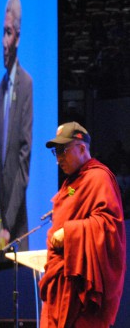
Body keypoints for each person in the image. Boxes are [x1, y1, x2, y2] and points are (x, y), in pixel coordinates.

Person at [38, 121, 126, 328]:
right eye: (56, 153)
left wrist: (69, 233)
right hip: (61, 281)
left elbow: (108, 226)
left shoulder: (98, 178)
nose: (58, 159)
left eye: (63, 151)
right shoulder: (72, 183)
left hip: (79, 290)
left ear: (82, 148)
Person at [0, 0, 33, 262]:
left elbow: (23, 158)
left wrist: (7, 224)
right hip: (1, 232)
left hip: (16, 227)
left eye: (8, 34)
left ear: (17, 37)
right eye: (2, 33)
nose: (3, 42)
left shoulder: (26, 84)